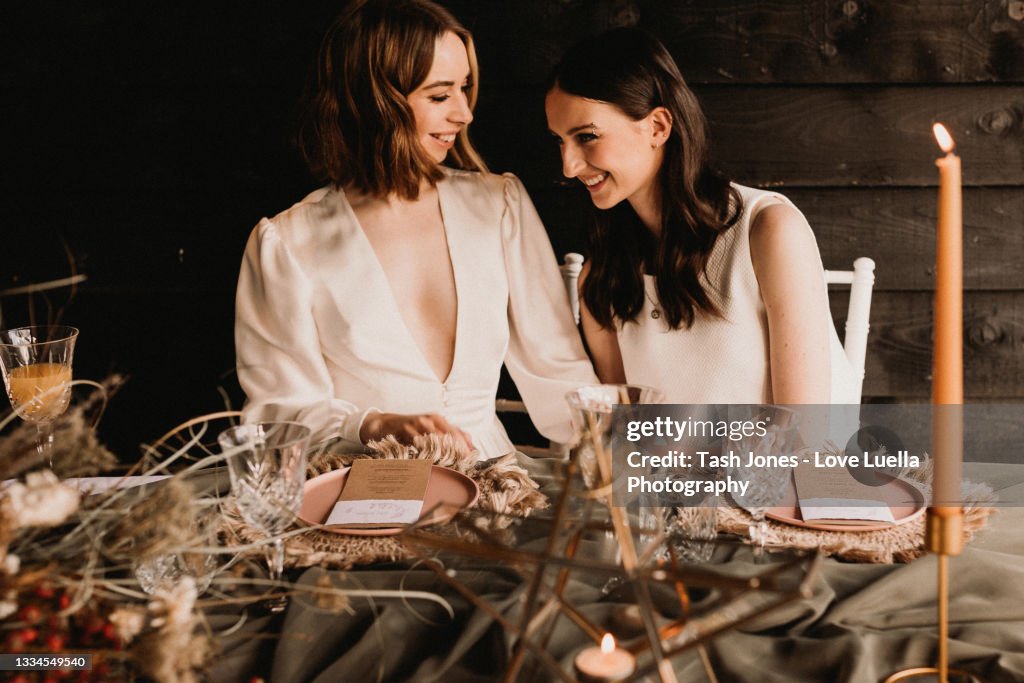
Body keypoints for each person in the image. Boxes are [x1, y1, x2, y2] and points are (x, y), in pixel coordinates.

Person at [234, 0, 597, 459]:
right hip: (362, 491)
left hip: (497, 485)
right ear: (375, 102)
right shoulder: (286, 243)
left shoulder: (498, 204)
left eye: (464, 89)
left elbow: (560, 374)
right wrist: (370, 424)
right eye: (440, 95)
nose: (464, 113)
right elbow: (276, 419)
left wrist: (664, 480)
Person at [545, 27, 859, 406]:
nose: (568, 165)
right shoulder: (601, 278)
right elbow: (626, 438)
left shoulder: (769, 230)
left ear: (657, 127)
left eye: (587, 136)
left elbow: (807, 440)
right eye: (560, 141)